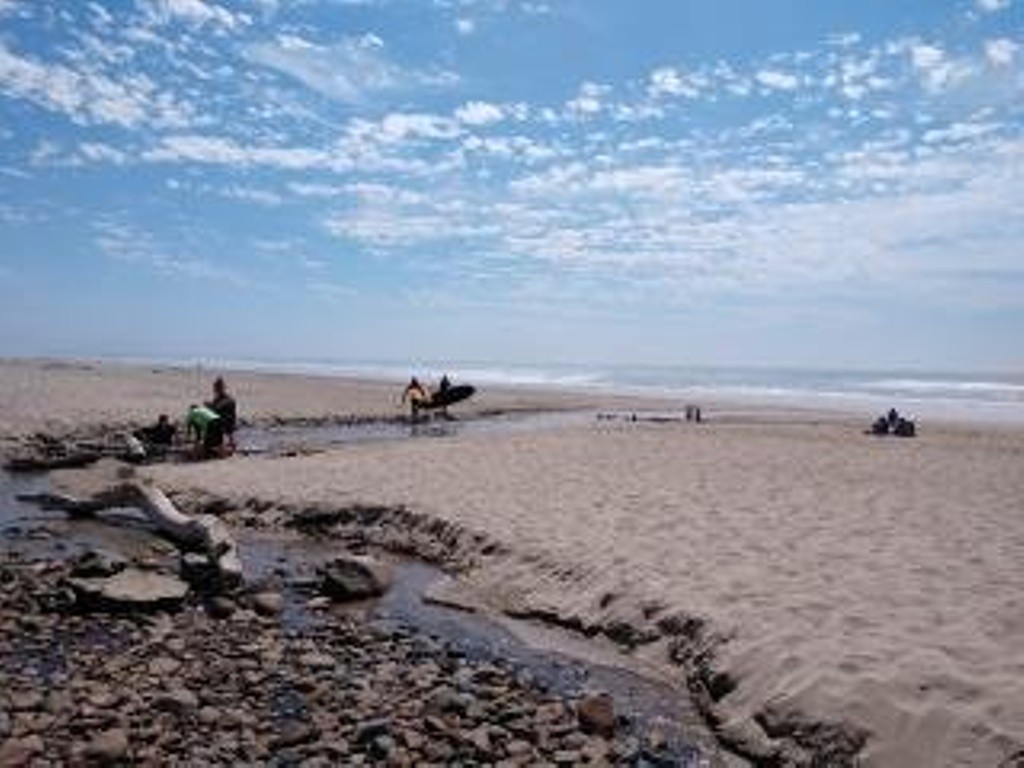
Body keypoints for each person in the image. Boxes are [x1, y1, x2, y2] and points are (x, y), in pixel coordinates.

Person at [206, 377, 237, 453]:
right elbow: (215, 407)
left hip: (227, 423)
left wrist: (210, 406)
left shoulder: (228, 399)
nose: (215, 390)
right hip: (222, 421)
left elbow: (218, 407)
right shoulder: (217, 399)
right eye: (215, 388)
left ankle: (220, 445)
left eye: (217, 388)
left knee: (213, 424)